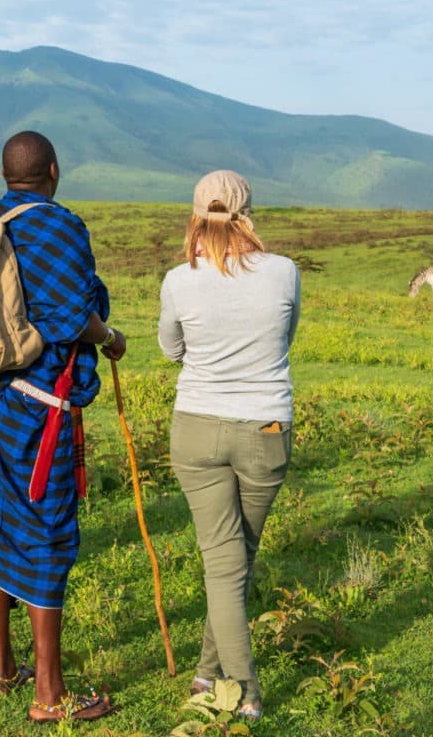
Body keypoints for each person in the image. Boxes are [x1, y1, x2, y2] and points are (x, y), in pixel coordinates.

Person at [0, 131, 124, 723]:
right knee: (44, 534)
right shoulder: (60, 228)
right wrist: (111, 337)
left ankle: (2, 669)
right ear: (53, 169)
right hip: (36, 409)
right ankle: (50, 695)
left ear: (7, 175)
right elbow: (76, 314)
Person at [157, 170, 300, 720]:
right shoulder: (284, 273)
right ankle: (244, 692)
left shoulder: (178, 279)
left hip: (195, 427)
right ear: (248, 212)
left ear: (196, 212)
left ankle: (206, 672)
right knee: (237, 558)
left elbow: (171, 350)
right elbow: (284, 340)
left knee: (227, 561)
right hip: (265, 428)